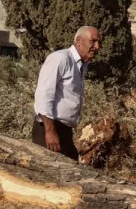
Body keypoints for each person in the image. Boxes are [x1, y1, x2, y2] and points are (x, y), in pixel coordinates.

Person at [33, 26, 101, 160]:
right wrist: (50, 131)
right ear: (79, 41)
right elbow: (43, 94)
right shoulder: (60, 58)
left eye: (99, 42)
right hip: (49, 128)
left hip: (64, 131)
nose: (97, 46)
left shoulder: (81, 65)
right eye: (93, 41)